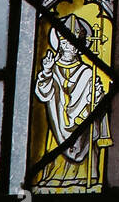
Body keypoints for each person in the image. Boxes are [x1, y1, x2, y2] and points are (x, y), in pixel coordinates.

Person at [33, 14, 111, 190]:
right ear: (59, 43)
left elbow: (98, 103)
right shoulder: (52, 69)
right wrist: (46, 71)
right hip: (57, 127)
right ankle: (54, 177)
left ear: (79, 47)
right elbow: (43, 92)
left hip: (82, 130)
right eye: (65, 42)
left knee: (86, 152)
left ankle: (85, 178)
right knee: (55, 161)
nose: (69, 47)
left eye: (73, 43)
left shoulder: (88, 72)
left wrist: (97, 97)